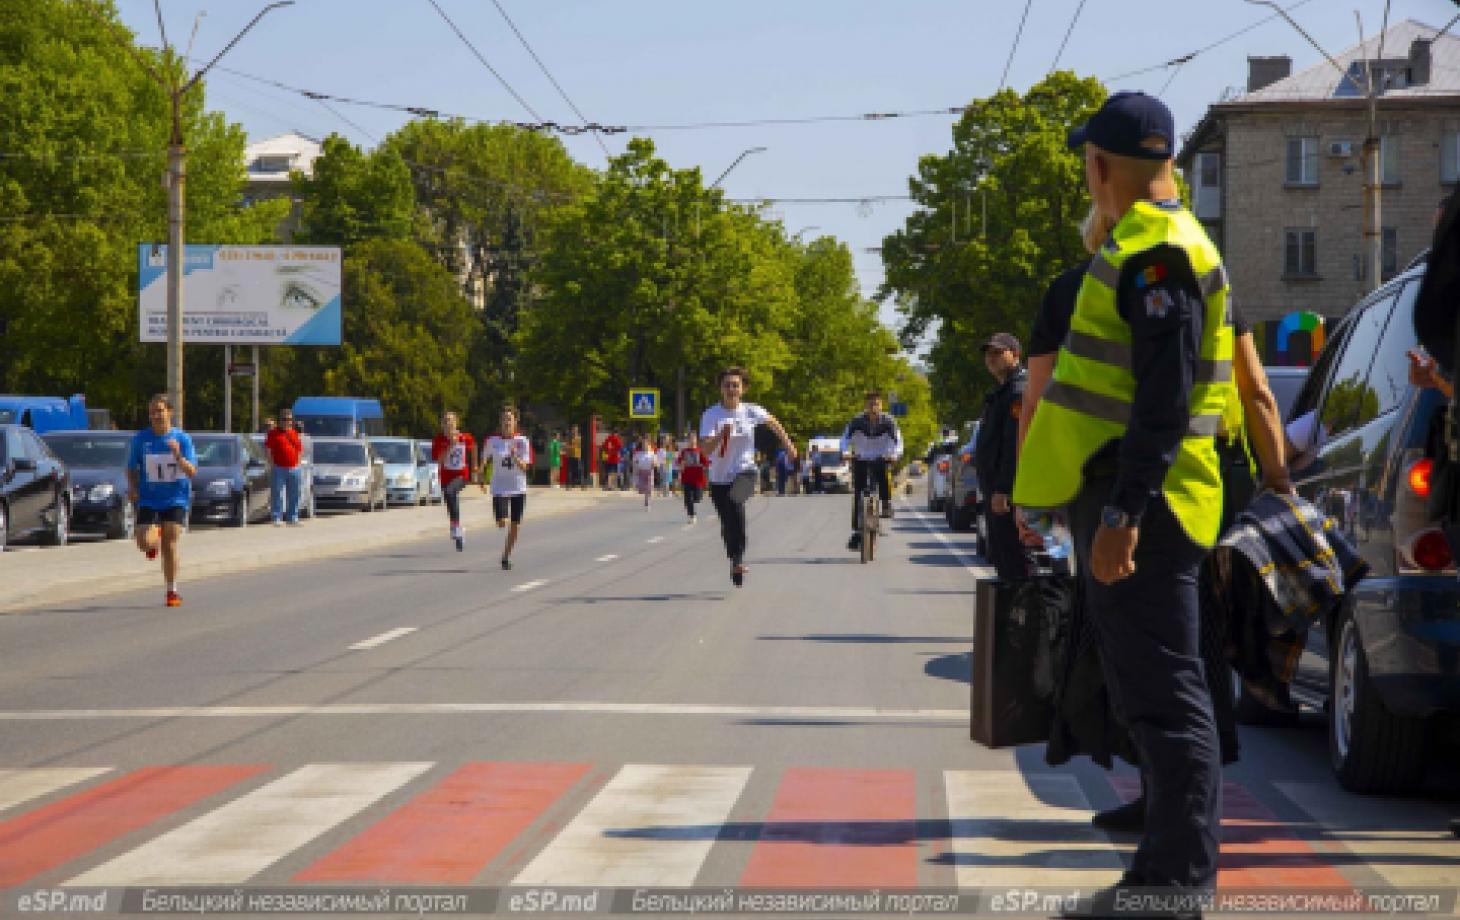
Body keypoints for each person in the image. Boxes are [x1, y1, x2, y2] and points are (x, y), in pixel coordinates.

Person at [1014, 92, 1232, 907]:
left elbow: (1164, 401)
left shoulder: (1155, 253)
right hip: (1146, 501)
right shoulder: (1158, 242)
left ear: (1099, 167)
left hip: (1147, 509)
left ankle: (1173, 886)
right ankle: (1161, 876)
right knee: (1157, 697)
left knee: (1169, 703)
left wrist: (1120, 516)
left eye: (1086, 165)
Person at [701, 366, 797, 587]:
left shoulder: (751, 411)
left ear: (743, 389)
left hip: (745, 471)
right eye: (727, 385)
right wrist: (720, 436)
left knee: (735, 503)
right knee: (727, 522)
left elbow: (774, 423)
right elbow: (705, 450)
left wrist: (789, 445)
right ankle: (733, 557)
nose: (731, 389)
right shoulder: (711, 415)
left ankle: (738, 559)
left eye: (736, 385)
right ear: (720, 388)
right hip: (718, 477)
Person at [126, 393, 197, 608]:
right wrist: (133, 487)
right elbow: (131, 468)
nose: (156, 415)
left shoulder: (182, 439)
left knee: (171, 543)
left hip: (175, 498)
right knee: (144, 543)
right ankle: (153, 538)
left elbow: (192, 471)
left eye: (160, 410)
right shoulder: (141, 439)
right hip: (149, 498)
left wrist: (178, 456)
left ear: (170, 412)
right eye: (152, 412)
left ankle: (172, 590)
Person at [977, 333, 1033, 580]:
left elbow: (1014, 444)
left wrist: (1003, 489)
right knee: (1003, 557)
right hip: (997, 488)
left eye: (999, 353)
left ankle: (1023, 615)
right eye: (989, 354)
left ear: (1016, 355)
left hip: (1010, 492)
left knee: (1013, 559)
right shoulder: (1003, 392)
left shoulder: (1018, 391)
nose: (992, 358)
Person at [841, 391, 903, 551]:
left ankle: (886, 503)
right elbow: (845, 439)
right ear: (865, 406)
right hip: (861, 458)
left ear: (881, 405)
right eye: (870, 404)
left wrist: (895, 454)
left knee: (883, 476)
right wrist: (845, 452)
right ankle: (857, 531)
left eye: (877, 404)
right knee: (858, 493)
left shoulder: (889, 421)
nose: (873, 407)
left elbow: (898, 441)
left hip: (880, 457)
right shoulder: (856, 421)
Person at [481, 407, 532, 570]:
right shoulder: (492, 441)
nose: (507, 422)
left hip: (518, 486)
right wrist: (481, 475)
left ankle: (505, 556)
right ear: (500, 422)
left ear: (515, 422)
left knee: (515, 525)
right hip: (500, 487)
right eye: (504, 419)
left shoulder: (522, 441)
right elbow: (484, 459)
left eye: (509, 419)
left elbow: (525, 467)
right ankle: (502, 517)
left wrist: (515, 455)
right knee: (502, 522)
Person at [431, 412, 478, 552]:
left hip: (461, 475)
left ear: (456, 422)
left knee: (451, 492)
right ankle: (458, 532)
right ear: (442, 424)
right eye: (445, 421)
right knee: (450, 498)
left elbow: (474, 447)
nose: (448, 423)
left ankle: (456, 526)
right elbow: (439, 461)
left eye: (451, 420)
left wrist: (474, 466)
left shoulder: (465, 437)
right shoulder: (438, 440)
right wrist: (450, 446)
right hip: (446, 476)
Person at [263, 407, 304, 527]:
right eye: (285, 419)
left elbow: (299, 450)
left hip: (294, 468)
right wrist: (272, 464)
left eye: (290, 419)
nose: (287, 421)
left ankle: (292, 517)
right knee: (277, 494)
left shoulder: (294, 433)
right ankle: (277, 517)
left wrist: (298, 463)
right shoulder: (273, 434)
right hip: (279, 468)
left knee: (294, 494)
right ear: (280, 420)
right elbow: (268, 450)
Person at [677, 433, 709, 523]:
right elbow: (679, 462)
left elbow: (706, 462)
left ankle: (691, 503)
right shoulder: (684, 451)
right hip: (687, 478)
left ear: (696, 440)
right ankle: (692, 515)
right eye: (690, 439)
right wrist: (681, 465)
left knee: (697, 498)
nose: (691, 441)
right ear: (688, 440)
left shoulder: (699, 451)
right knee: (688, 497)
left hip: (698, 479)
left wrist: (705, 466)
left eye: (693, 439)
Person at [633, 434, 657, 508]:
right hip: (641, 471)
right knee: (642, 489)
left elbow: (656, 463)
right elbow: (634, 462)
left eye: (646, 444)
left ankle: (647, 500)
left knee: (648, 487)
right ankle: (646, 498)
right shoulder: (638, 454)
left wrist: (654, 464)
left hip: (649, 471)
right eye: (643, 444)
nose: (644, 445)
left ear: (648, 444)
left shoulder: (652, 453)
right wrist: (636, 468)